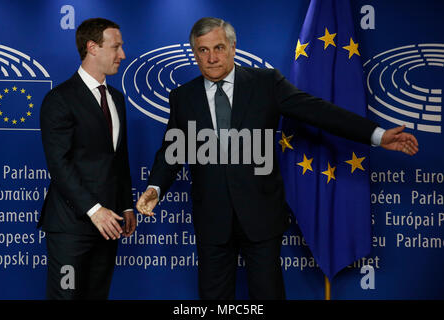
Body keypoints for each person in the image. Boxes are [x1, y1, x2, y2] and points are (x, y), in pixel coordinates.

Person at [136, 17, 418, 300]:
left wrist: (377, 135)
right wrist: (155, 188)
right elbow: (172, 151)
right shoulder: (182, 97)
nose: (211, 58)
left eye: (219, 47)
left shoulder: (266, 83)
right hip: (212, 219)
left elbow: (318, 111)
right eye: (203, 50)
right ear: (194, 53)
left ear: (233, 47)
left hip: (260, 216)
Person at [39, 18, 136, 300]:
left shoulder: (116, 98)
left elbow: (119, 158)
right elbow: (59, 164)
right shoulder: (59, 99)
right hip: (72, 228)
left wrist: (126, 206)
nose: (123, 54)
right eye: (116, 47)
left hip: (110, 225)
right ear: (92, 47)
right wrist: (95, 210)